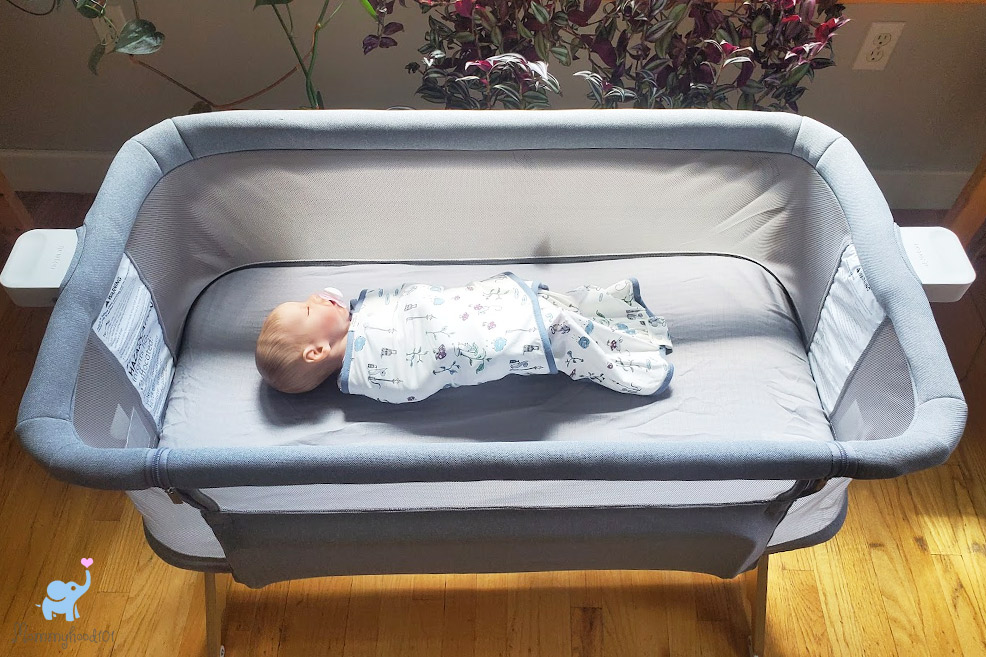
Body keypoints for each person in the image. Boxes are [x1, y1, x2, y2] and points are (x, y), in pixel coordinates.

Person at [255, 273, 673, 403]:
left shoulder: (360, 317)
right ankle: (621, 350)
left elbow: (420, 303)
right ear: (316, 351)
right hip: (467, 339)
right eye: (308, 309)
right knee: (551, 327)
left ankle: (596, 316)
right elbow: (422, 372)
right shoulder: (370, 375)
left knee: (539, 303)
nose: (315, 298)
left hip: (465, 312)